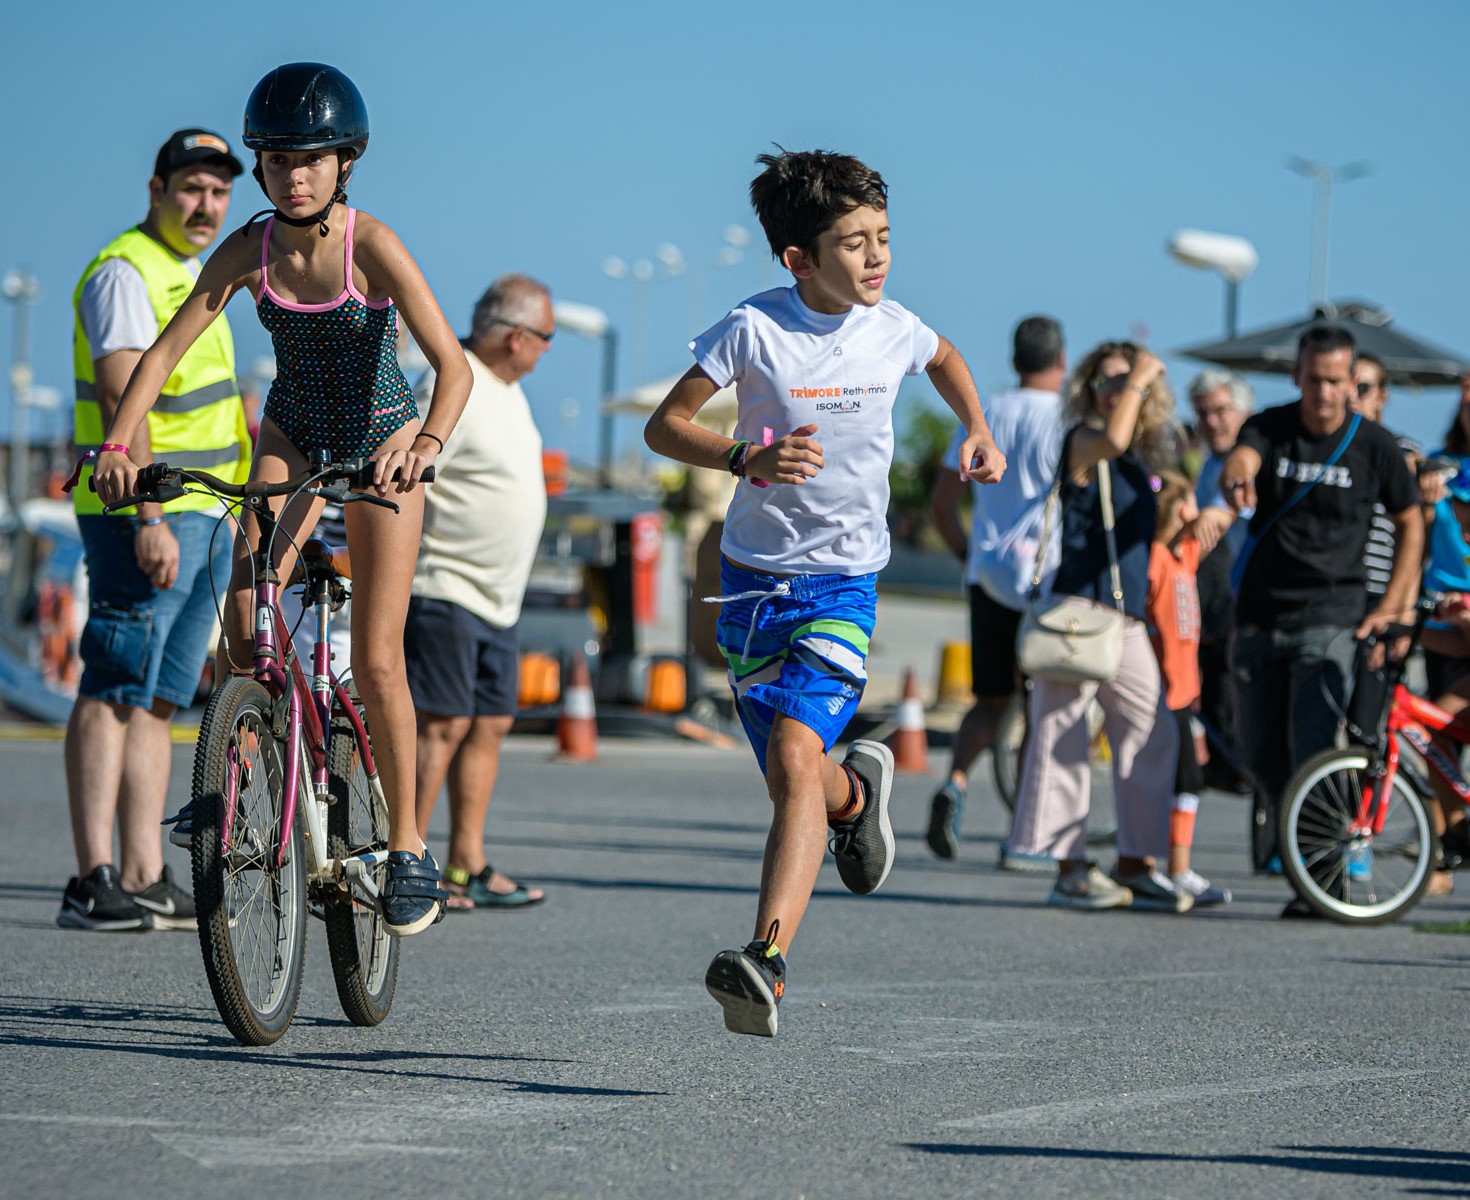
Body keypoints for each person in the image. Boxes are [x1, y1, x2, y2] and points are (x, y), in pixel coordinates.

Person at [91, 63, 473, 937]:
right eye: (276, 160)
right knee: (242, 607)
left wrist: (422, 447)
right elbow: (162, 352)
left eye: (312, 159)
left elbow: (453, 366)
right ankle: (237, 775)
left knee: (377, 657)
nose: (293, 176)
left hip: (379, 437)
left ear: (346, 163)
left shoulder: (370, 243)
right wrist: (117, 443)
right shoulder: (248, 249)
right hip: (293, 428)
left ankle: (410, 846)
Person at [645, 148, 1006, 1036]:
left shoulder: (894, 328)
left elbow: (948, 356)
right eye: (854, 243)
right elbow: (667, 426)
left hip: (844, 584)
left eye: (884, 238)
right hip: (750, 585)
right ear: (799, 259)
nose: (877, 258)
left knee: (794, 761)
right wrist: (744, 457)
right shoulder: (752, 328)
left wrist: (978, 429)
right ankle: (859, 794)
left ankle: (765, 960)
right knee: (792, 776)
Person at [58, 128, 251, 932]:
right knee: (113, 687)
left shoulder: (193, 273)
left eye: (218, 191)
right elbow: (119, 398)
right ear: (156, 190)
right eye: (191, 189)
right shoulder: (124, 271)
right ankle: (91, 877)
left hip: (208, 515)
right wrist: (148, 516)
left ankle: (143, 872)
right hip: (145, 516)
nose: (206, 205)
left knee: (161, 701)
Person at [1219, 324, 1422, 917]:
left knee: (1313, 747)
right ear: (1297, 377)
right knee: (1258, 753)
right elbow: (1244, 451)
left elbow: (1411, 520)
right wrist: (1238, 474)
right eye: (1314, 380)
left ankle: (1323, 880)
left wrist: (1394, 603)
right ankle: (1306, 854)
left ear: (1352, 381)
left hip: (1333, 614)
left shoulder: (1375, 445)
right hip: (1259, 615)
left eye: (1338, 381)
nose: (1325, 393)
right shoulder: (1273, 425)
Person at [1005, 342, 1189, 913]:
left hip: (1123, 616)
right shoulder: (1084, 440)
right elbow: (1109, 437)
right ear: (1089, 390)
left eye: (1126, 382)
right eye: (1108, 381)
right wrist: (1140, 375)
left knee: (1151, 730)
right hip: (1075, 612)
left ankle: (1138, 862)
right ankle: (1069, 868)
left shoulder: (1140, 457)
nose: (1118, 389)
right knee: (1062, 736)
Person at [407, 274, 551, 909]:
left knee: (489, 724)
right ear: (517, 337)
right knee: (440, 726)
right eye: (545, 339)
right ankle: (407, 860)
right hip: (446, 585)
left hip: (498, 598)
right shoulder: (452, 378)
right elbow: (411, 478)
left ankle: (467, 861)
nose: (548, 352)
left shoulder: (505, 388)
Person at [925, 315, 1065, 861]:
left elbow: (941, 504)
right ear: (1063, 361)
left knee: (988, 701)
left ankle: (955, 780)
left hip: (988, 575)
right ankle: (1025, 832)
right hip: (1046, 579)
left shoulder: (984, 415)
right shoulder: (1069, 420)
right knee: (1041, 707)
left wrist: (969, 555)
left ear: (1013, 362)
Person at [1148, 471, 1229, 906]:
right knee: (1184, 780)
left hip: (1185, 689)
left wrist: (1219, 508)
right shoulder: (1156, 559)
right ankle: (1172, 869)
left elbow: (1219, 523)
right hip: (1163, 689)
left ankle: (1173, 868)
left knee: (1186, 778)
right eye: (1193, 503)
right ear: (1180, 509)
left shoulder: (1186, 556)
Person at [1186, 369, 1254, 792]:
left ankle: (1242, 768)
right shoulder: (1209, 461)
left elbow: (1215, 529)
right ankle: (1224, 765)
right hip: (1211, 593)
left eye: (1221, 411)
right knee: (1211, 686)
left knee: (1232, 690)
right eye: (1204, 413)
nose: (1212, 421)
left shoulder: (1247, 460)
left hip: (1241, 594)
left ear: (1242, 412)